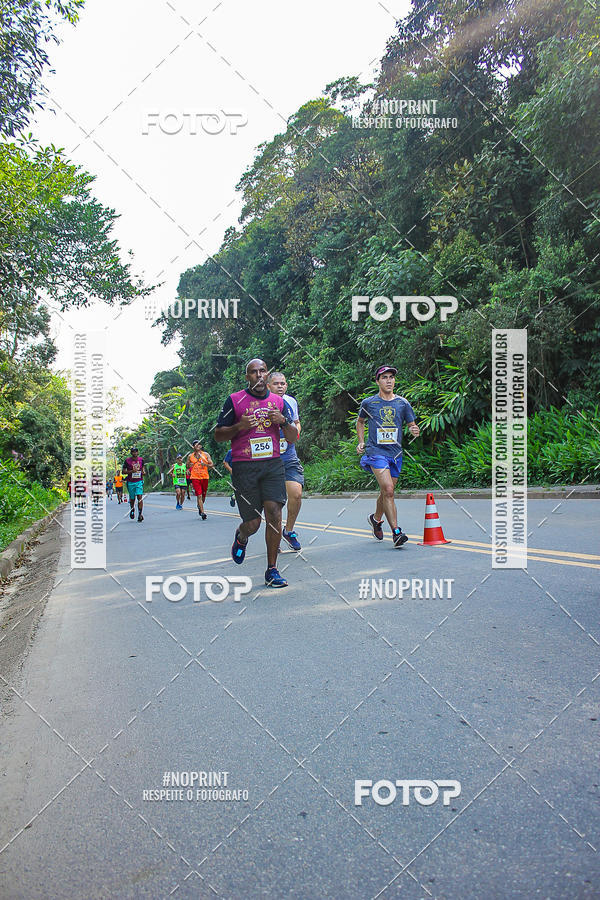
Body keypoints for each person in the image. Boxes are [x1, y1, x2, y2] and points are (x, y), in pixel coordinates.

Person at [214, 358, 298, 588]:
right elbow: (218, 435)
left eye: (262, 371)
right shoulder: (234, 400)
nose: (259, 375)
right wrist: (238, 427)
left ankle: (272, 569)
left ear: (267, 374)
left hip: (272, 464)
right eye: (254, 372)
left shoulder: (279, 402)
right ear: (247, 376)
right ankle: (241, 537)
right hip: (244, 467)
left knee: (274, 514)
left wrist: (283, 422)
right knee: (252, 523)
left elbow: (292, 437)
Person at [356, 365, 420, 548]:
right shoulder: (369, 403)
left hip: (395, 453)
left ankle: (376, 520)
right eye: (384, 377)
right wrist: (361, 442)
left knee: (386, 491)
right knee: (389, 489)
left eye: (391, 377)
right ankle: (397, 532)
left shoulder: (402, 403)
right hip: (376, 452)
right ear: (377, 381)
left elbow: (411, 425)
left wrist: (414, 430)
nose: (389, 380)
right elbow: (360, 422)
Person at [267, 372, 303, 551]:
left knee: (296, 494)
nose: (280, 386)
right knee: (274, 504)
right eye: (276, 383)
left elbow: (297, 422)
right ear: (268, 386)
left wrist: (295, 433)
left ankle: (288, 531)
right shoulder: (260, 404)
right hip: (269, 461)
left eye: (283, 383)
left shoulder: (291, 401)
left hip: (288, 456)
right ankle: (274, 536)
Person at [188, 440, 214, 519]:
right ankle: (202, 513)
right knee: (199, 495)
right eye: (196, 445)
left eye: (199, 445)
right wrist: (189, 465)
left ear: (201, 446)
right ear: (193, 447)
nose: (198, 446)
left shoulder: (205, 454)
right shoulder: (190, 456)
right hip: (195, 477)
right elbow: (187, 465)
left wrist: (205, 464)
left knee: (203, 496)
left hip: (204, 477)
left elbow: (211, 465)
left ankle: (199, 505)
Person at [122, 447, 146, 522]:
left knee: (139, 497)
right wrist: (132, 471)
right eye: (133, 452)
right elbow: (123, 471)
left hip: (139, 481)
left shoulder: (141, 460)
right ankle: (132, 509)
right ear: (131, 453)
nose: (134, 453)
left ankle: (140, 514)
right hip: (131, 482)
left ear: (138, 452)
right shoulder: (127, 461)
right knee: (132, 499)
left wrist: (143, 472)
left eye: (136, 452)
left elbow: (143, 469)